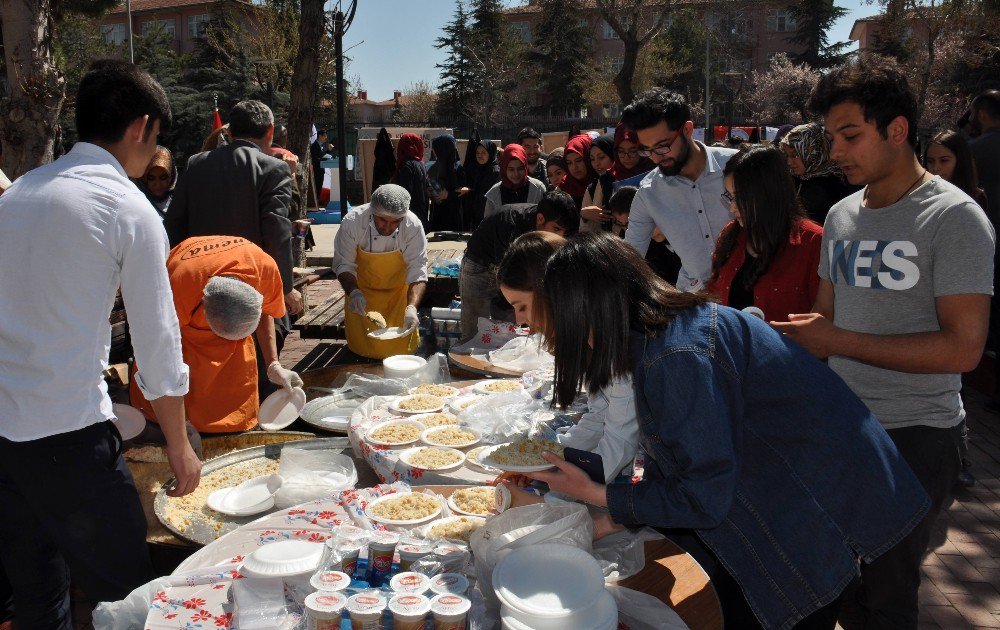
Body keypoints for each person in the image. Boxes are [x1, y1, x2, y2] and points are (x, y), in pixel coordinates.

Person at [523, 232, 930, 630]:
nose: (564, 338)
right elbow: (680, 454)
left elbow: (704, 495)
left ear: (588, 309)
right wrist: (612, 518)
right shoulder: (667, 333)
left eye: (560, 320)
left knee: (799, 602)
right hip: (798, 487)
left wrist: (597, 494)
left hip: (821, 504)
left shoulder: (677, 356)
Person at [773, 53, 995, 629]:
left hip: (917, 437)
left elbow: (962, 349)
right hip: (840, 423)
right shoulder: (843, 214)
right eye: (831, 137)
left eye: (850, 135)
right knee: (824, 581)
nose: (837, 151)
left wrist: (835, 339)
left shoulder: (955, 218)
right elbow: (824, 318)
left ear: (897, 130)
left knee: (885, 600)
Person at [0, 59, 201, 628]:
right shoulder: (127, 208)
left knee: (38, 598)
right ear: (141, 128)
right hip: (70, 437)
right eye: (155, 138)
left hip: (6, 437)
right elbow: (158, 341)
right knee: (131, 599)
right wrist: (181, 447)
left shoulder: (16, 196)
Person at [497, 232, 639, 482]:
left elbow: (617, 444)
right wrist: (544, 460)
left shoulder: (618, 343)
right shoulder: (589, 339)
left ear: (552, 293)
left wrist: (556, 488)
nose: (519, 320)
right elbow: (599, 416)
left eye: (522, 306)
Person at [129, 236, 300, 442]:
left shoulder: (264, 267)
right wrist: (177, 426)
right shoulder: (175, 287)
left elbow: (266, 312)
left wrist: (273, 364)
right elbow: (157, 356)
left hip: (236, 356)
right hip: (184, 346)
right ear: (203, 303)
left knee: (235, 415)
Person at [165, 100, 300, 318]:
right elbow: (276, 229)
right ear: (270, 131)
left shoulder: (196, 163)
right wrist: (285, 287)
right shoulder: (275, 168)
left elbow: (174, 224)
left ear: (229, 132)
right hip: (249, 285)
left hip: (198, 284)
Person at [621, 88, 737, 292]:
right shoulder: (649, 192)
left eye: (662, 146)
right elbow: (629, 258)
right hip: (695, 302)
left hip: (751, 298)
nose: (656, 158)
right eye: (647, 150)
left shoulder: (736, 166)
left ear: (687, 130)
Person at [706, 145, 823, 322]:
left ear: (768, 194)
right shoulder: (730, 235)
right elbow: (714, 294)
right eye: (729, 196)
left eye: (740, 198)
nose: (732, 207)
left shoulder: (814, 243)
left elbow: (821, 320)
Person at [458, 190, 580, 340]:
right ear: (540, 218)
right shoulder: (511, 223)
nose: (560, 236)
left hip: (509, 270)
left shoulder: (552, 223)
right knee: (474, 327)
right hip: (479, 266)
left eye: (565, 232)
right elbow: (509, 278)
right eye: (557, 229)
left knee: (510, 333)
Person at [333, 184, 428, 359]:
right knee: (362, 352)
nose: (387, 228)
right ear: (372, 211)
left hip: (399, 297)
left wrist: (412, 308)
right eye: (382, 220)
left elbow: (418, 269)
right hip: (360, 295)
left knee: (400, 353)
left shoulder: (412, 225)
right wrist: (354, 293)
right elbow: (343, 265)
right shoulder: (352, 222)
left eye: (395, 222)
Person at [779, 122, 858, 225]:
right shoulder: (791, 181)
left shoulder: (838, 185)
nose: (789, 162)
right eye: (787, 155)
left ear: (814, 152)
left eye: (795, 155)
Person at [581, 125, 656, 232]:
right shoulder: (606, 180)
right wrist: (584, 214)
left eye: (633, 151)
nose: (626, 157)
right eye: (621, 151)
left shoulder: (657, 175)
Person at [607, 185, 682, 284]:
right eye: (623, 226)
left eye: (632, 224)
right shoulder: (642, 248)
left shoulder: (683, 230)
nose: (631, 231)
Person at [926, 130, 988, 210]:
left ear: (960, 160)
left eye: (944, 161)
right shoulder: (920, 195)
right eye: (930, 161)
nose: (935, 168)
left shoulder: (977, 197)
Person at [483, 144, 546, 219]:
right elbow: (488, 225)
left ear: (525, 167)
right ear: (504, 169)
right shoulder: (493, 194)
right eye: (511, 169)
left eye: (520, 168)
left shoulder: (538, 189)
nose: (516, 174)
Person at [391, 132, 432, 228]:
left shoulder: (406, 165)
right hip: (420, 215)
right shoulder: (420, 164)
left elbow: (404, 193)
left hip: (408, 219)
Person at [427, 133, 466, 232]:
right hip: (437, 212)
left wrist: (448, 195)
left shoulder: (458, 169)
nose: (434, 151)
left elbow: (466, 191)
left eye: (436, 148)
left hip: (453, 213)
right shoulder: (434, 167)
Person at [969, 89, 1000, 215]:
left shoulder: (974, 148)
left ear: (982, 115)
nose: (970, 119)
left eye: (971, 113)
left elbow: (967, 186)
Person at [464, 138, 500, 230]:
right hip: (477, 216)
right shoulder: (478, 169)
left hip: (489, 217)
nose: (480, 155)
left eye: (483, 152)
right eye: (477, 153)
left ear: (490, 153)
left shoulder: (495, 172)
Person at [558, 134, 597, 209]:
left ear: (588, 158)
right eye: (569, 163)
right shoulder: (563, 188)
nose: (574, 167)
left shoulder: (602, 182)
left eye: (578, 161)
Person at [138, 145, 176, 219]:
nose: (158, 184)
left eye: (163, 178)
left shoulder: (181, 202)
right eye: (151, 178)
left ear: (171, 176)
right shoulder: (137, 203)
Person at [311, 128, 331, 207]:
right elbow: (316, 158)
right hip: (317, 170)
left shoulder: (319, 145)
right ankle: (316, 203)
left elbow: (322, 155)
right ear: (320, 136)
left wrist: (328, 151)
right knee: (317, 186)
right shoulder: (314, 145)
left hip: (320, 170)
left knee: (319, 186)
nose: (326, 138)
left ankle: (318, 202)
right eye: (325, 136)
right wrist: (323, 158)